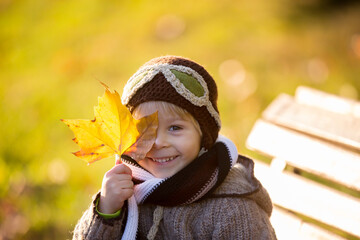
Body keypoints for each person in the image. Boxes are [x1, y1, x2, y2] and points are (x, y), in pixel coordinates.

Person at [73, 56, 276, 239]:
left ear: (203, 136)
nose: (159, 142)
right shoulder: (126, 190)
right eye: (145, 130)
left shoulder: (231, 208)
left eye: (175, 128)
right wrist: (107, 210)